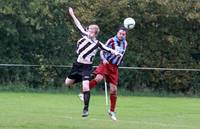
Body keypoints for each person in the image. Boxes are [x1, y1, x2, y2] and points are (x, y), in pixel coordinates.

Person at [65, 7, 122, 117]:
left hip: (86, 67)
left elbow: (107, 49)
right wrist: (72, 14)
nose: (89, 32)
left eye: (91, 31)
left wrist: (116, 53)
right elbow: (78, 24)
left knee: (86, 87)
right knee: (67, 83)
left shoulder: (98, 44)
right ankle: (86, 77)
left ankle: (85, 110)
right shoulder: (84, 35)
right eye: (89, 30)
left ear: (95, 33)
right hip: (77, 65)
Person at [79, 27, 128, 121]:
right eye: (120, 33)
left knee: (114, 90)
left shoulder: (125, 43)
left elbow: (121, 55)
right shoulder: (111, 41)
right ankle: (82, 92)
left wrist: (120, 61)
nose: (122, 35)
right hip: (106, 64)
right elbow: (102, 50)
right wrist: (104, 59)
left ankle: (112, 111)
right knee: (98, 78)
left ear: (125, 35)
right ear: (117, 33)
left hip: (114, 68)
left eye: (123, 34)